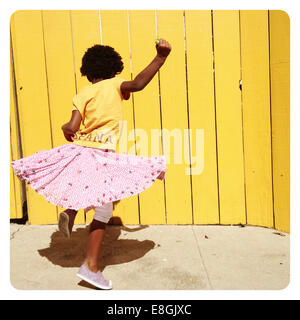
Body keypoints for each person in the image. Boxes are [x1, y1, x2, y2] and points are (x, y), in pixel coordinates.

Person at [11, 38, 171, 290]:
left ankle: (70, 212)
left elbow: (72, 127)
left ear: (88, 70)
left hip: (80, 151)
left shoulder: (82, 94)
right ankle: (91, 267)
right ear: (113, 67)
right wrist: (160, 57)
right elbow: (138, 84)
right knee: (104, 210)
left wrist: (66, 128)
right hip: (101, 155)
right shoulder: (115, 85)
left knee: (81, 187)